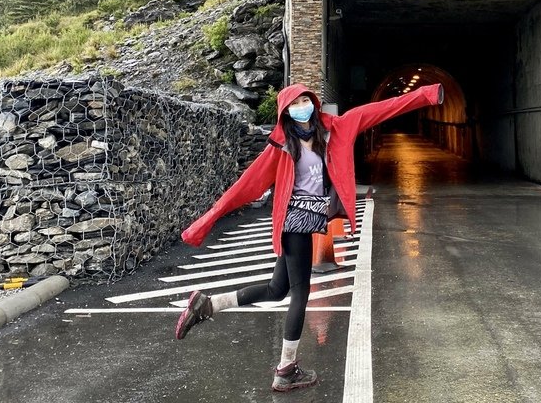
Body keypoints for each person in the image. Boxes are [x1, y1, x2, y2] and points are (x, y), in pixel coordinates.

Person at [175, 80, 443, 393]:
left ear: (314, 105)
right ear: (286, 113)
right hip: (293, 223)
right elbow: (244, 187)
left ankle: (208, 304)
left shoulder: (336, 129)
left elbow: (382, 109)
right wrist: (206, 222)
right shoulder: (279, 148)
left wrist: (426, 94)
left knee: (278, 290)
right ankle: (286, 369)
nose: (302, 106)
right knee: (301, 294)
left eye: (306, 100)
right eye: (295, 103)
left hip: (308, 221)